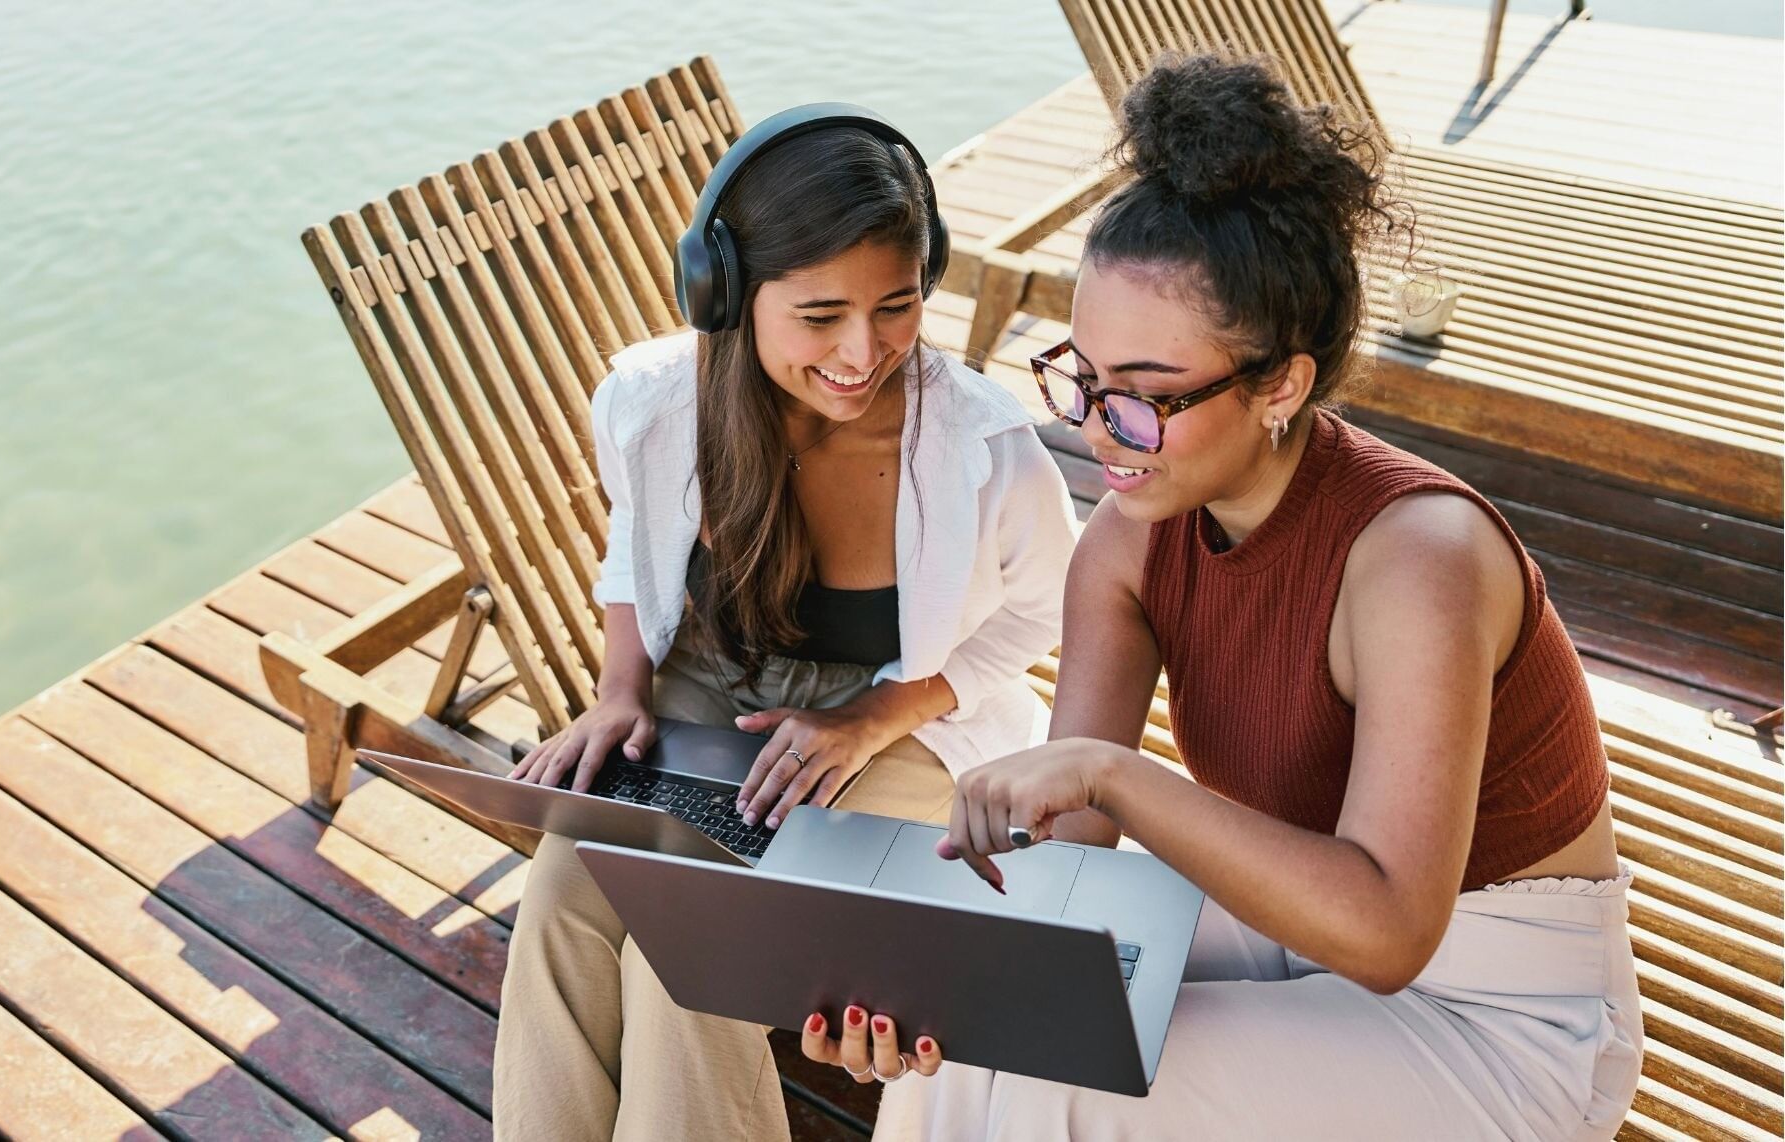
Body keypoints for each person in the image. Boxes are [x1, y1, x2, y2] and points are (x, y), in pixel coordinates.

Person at [801, 56, 1642, 1142]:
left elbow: (1388, 931)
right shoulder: (1127, 539)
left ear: (1280, 384)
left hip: (1495, 1001)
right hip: (1284, 915)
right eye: (1082, 378)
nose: (1098, 430)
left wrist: (1112, 772)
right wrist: (904, 986)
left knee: (1076, 1081)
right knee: (973, 1026)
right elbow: (1067, 879)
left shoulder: (1414, 558)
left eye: (1147, 400)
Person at [492, 105, 1080, 1142]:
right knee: (559, 906)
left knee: (692, 948)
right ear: (726, 294)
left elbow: (1042, 611)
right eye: (818, 316)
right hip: (712, 689)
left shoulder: (983, 449)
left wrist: (870, 718)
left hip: (900, 727)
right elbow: (633, 544)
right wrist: (618, 691)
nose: (863, 351)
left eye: (895, 306)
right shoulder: (652, 405)